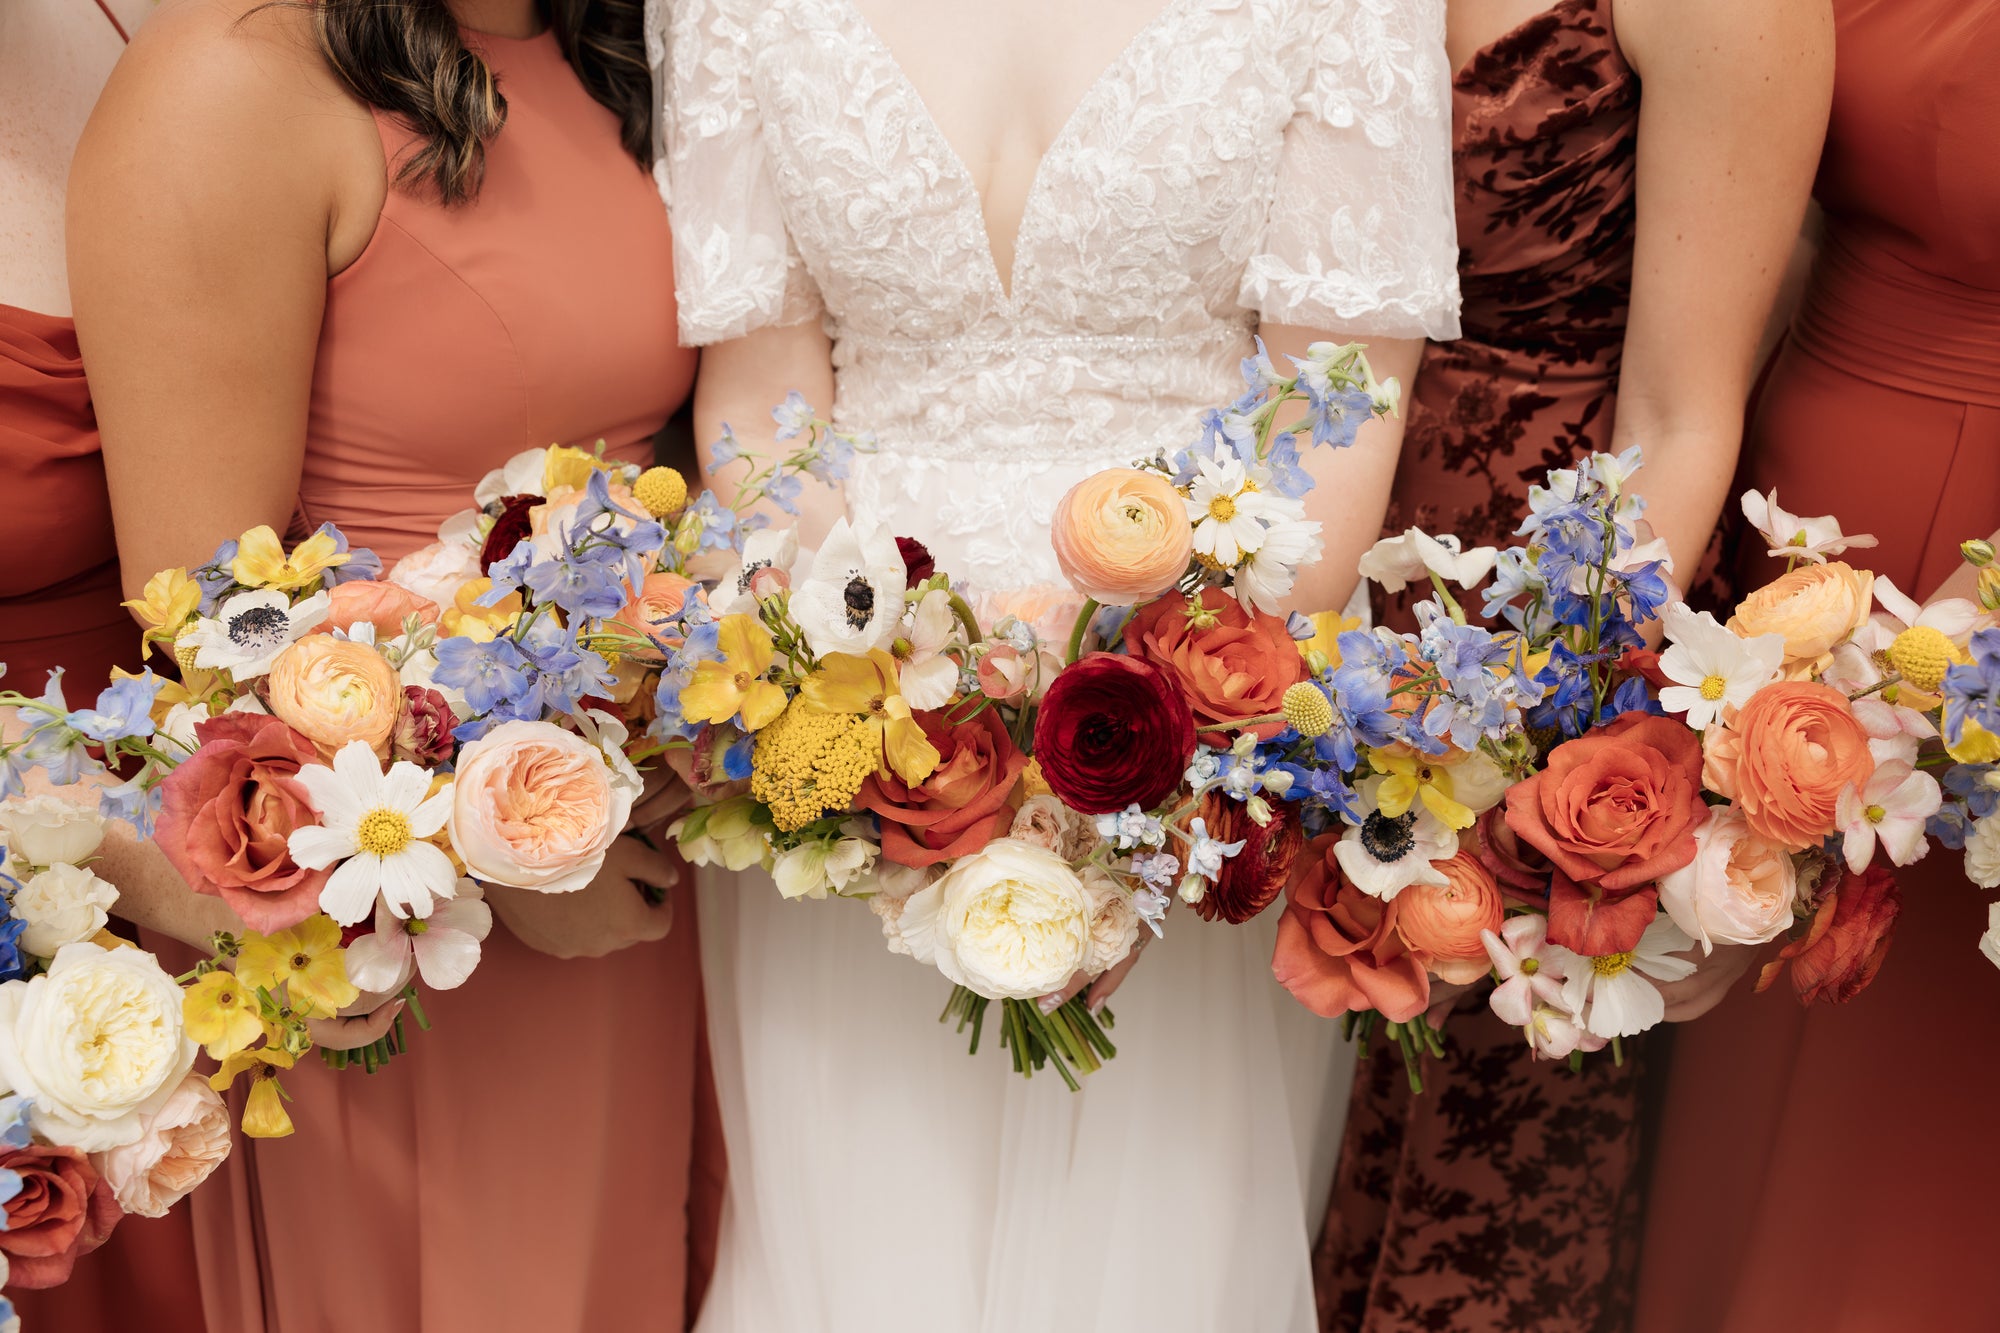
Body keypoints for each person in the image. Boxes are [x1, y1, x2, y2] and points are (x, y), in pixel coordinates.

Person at [656, 0, 1461, 1327]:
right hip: (868, 764)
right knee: (857, 1241)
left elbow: (1337, 415)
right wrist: (882, 719)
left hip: (1177, 766)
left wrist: (1146, 759)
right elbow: (756, 408)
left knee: (1156, 1254)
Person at [68, 0, 714, 1327]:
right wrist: (496, 856)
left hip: (656, 878)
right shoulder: (229, 81)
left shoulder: (624, 44)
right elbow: (208, 619)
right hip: (420, 923)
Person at [1313, 0, 1831, 1328]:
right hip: (1322, 587)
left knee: (1466, 1160)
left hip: (1550, 607)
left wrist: (1534, 729)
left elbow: (1681, 412)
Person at [1636, 0, 2000, 1327]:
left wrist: (1908, 686)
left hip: (1954, 624)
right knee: (1731, 1127)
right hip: (1787, 534)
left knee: (1881, 1187)